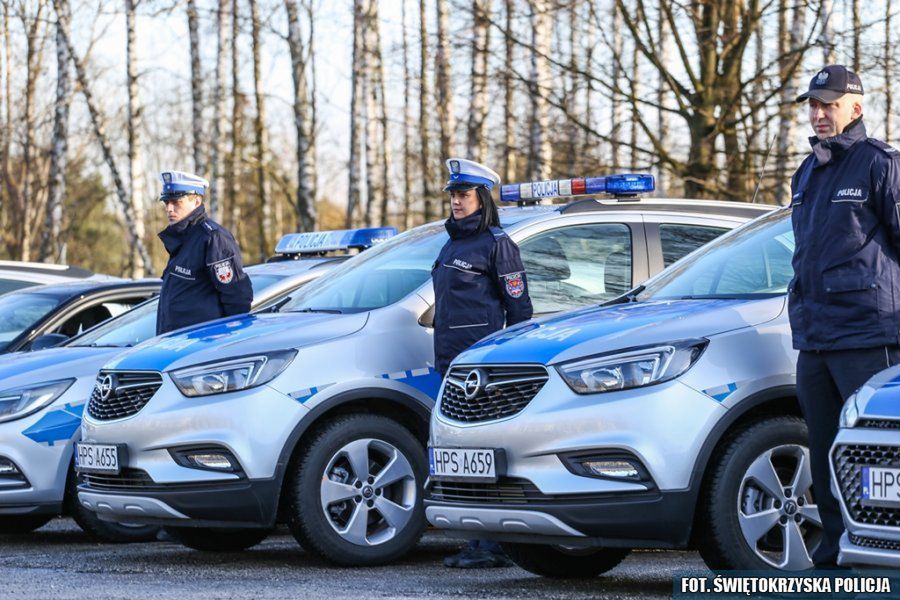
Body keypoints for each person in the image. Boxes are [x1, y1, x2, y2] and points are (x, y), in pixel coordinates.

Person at [789, 65, 900, 568]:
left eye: (828, 105)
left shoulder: (880, 165)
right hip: (814, 338)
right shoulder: (807, 171)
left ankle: (882, 554)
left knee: (874, 455)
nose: (818, 114)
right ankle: (835, 556)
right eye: (813, 105)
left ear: (855, 107)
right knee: (826, 450)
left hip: (867, 335)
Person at [432, 158, 534, 568]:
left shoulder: (497, 244)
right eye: (453, 195)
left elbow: (520, 309)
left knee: (486, 454)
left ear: (481, 198)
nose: (456, 202)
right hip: (451, 365)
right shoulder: (451, 243)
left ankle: (494, 544)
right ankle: (477, 538)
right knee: (460, 454)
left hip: (483, 369)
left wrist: (503, 365)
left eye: (464, 194)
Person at [156, 170, 252, 334]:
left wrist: (222, 342)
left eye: (176, 202)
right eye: (166, 202)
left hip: (201, 346)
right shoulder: (183, 239)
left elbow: (237, 298)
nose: (169, 208)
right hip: (176, 344)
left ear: (197, 201)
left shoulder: (212, 237)